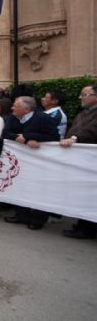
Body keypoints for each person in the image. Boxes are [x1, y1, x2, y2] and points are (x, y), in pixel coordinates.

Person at [3, 96, 59, 230]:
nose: (12, 108)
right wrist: (20, 138)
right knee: (18, 185)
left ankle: (38, 219)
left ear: (26, 109)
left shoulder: (43, 119)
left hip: (39, 163)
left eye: (15, 106)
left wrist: (28, 137)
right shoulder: (12, 117)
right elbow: (5, 133)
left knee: (38, 189)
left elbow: (54, 136)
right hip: (18, 161)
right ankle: (21, 215)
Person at [59, 85, 97, 239]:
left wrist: (75, 139)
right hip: (81, 160)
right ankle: (83, 225)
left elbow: (92, 130)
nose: (80, 97)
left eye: (84, 94)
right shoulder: (83, 113)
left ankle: (88, 228)